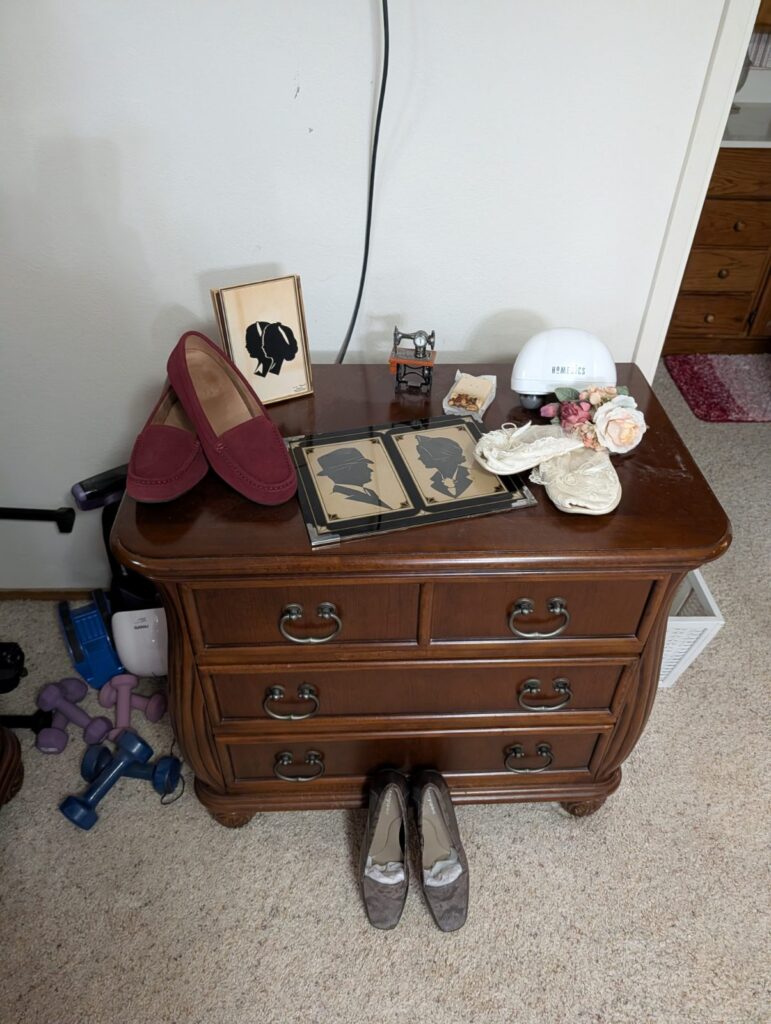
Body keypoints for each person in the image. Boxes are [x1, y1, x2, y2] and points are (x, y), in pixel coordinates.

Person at [316, 447, 391, 509]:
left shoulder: (369, 493)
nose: (371, 470)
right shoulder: (342, 500)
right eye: (364, 466)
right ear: (349, 470)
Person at [415, 434, 472, 499]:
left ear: (443, 458)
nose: (419, 458)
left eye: (425, 455)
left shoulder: (471, 474)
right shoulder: (434, 480)